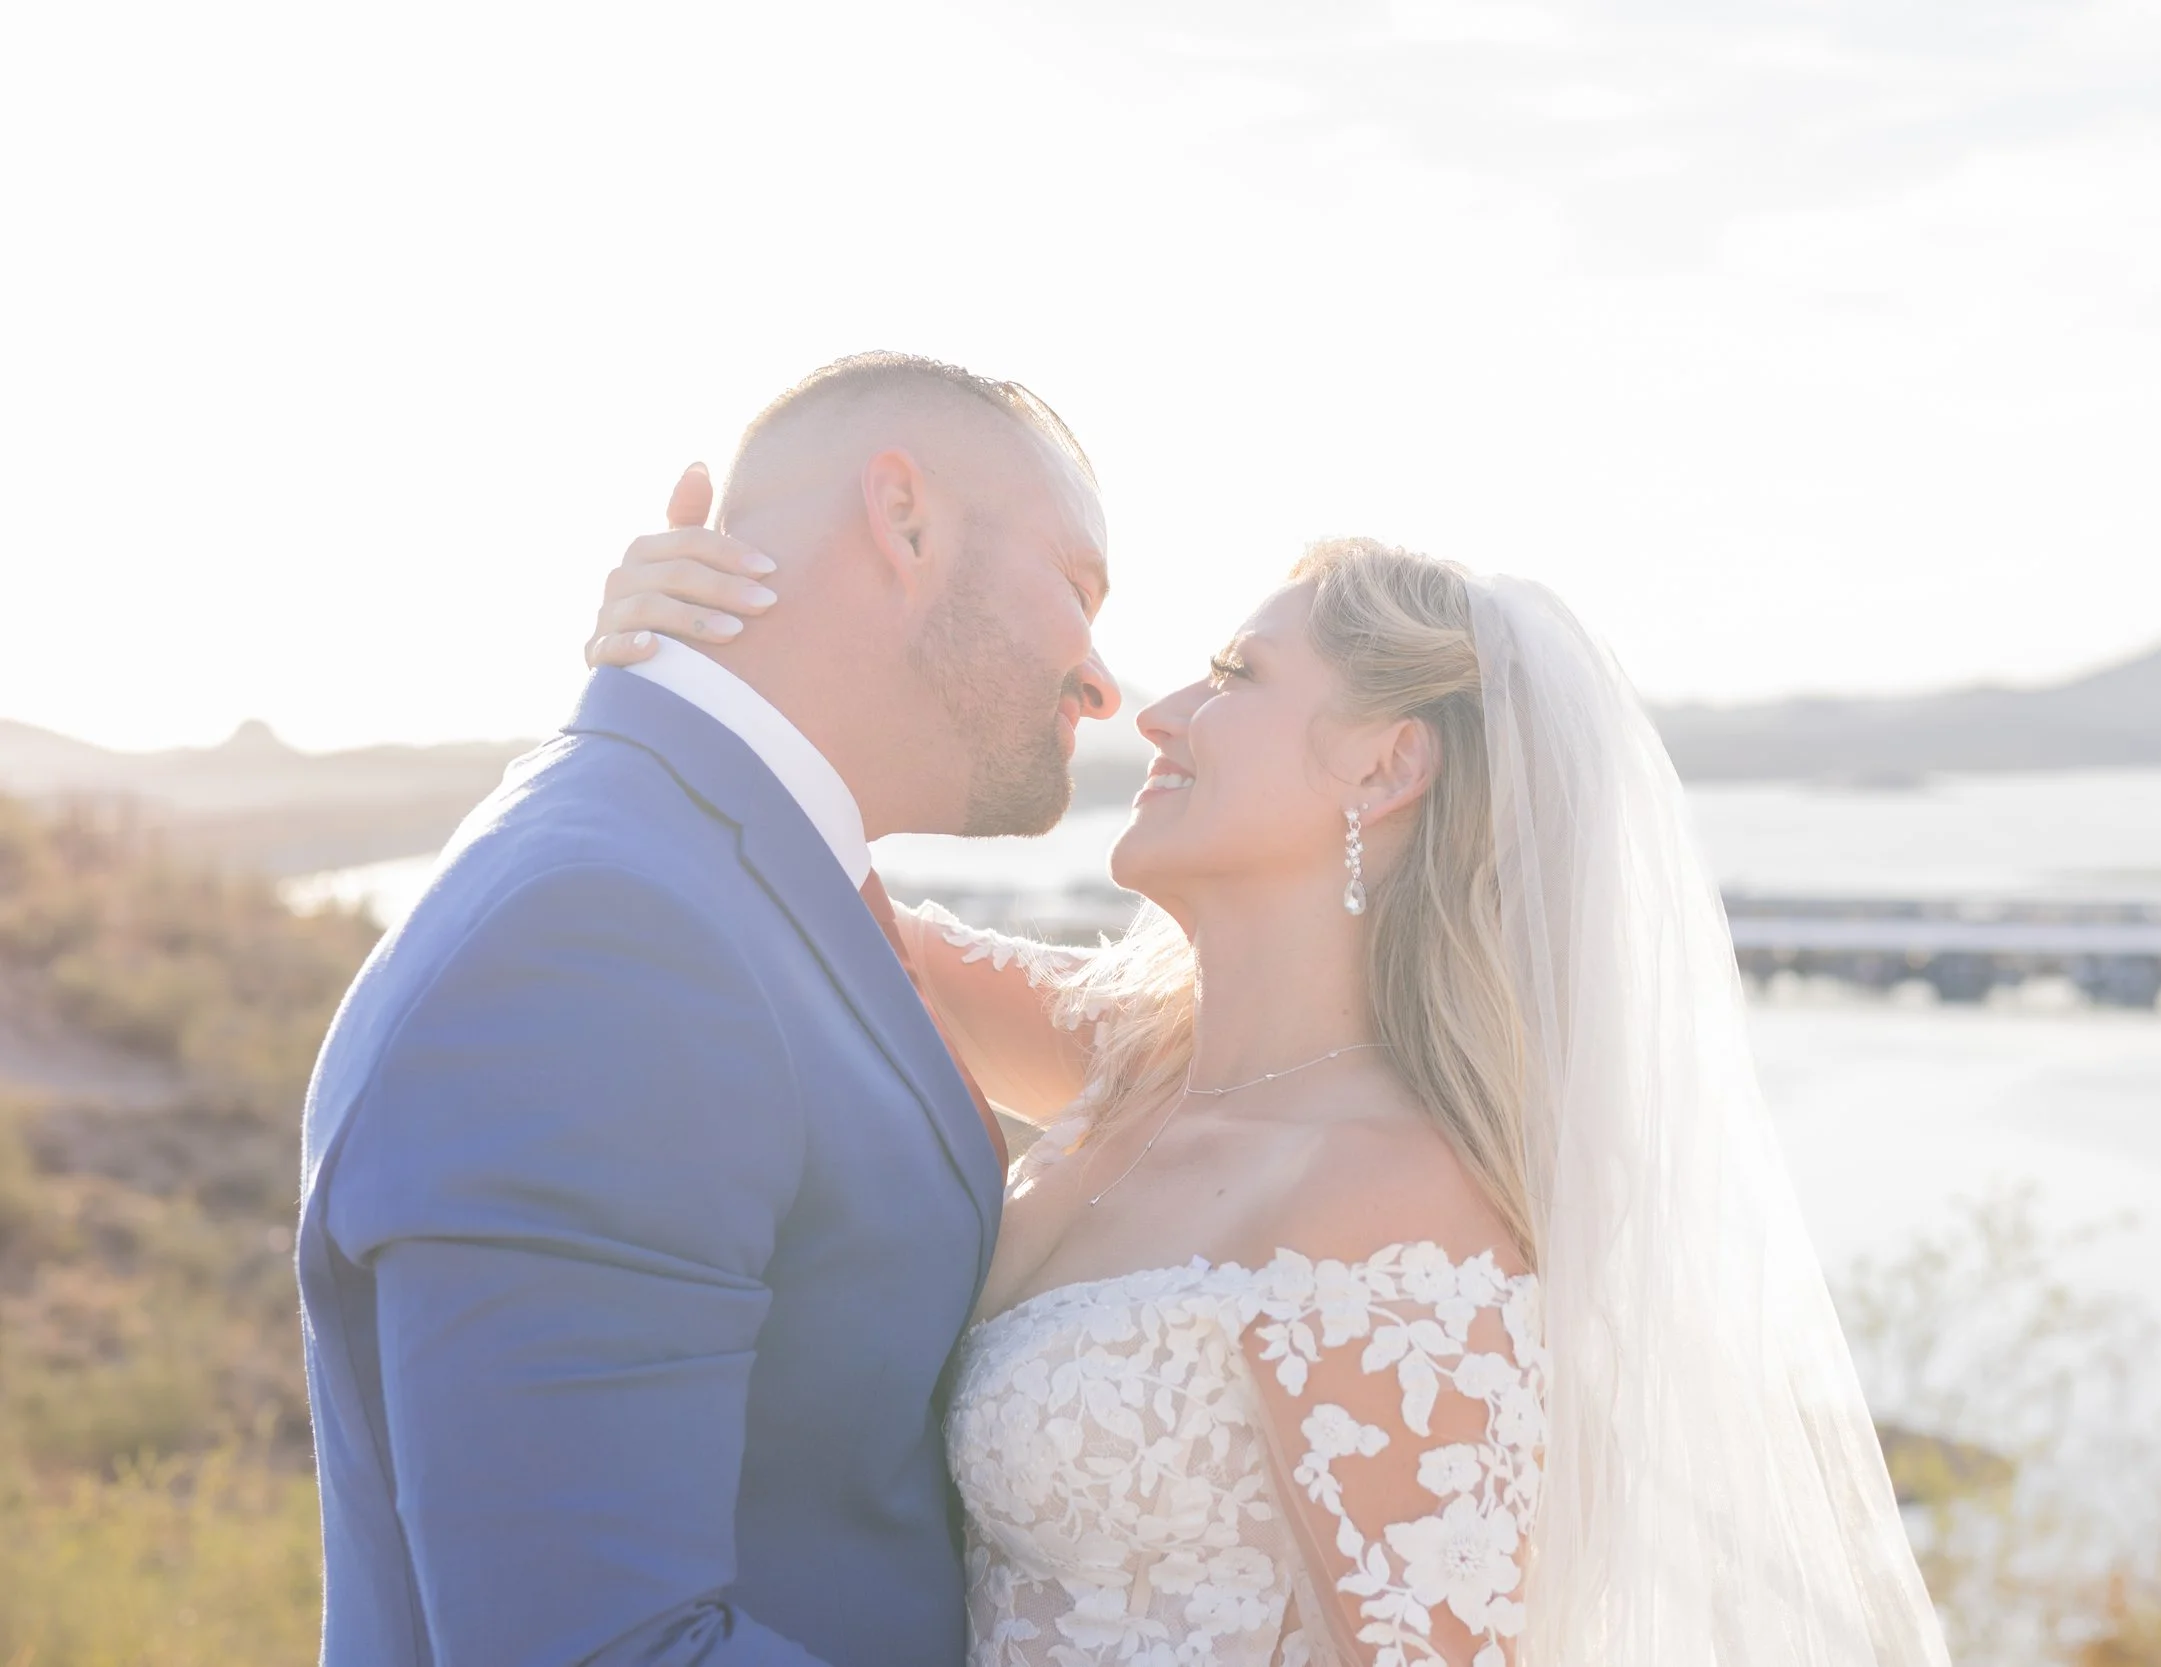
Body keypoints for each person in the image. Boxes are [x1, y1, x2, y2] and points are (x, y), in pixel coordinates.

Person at [587, 517, 1952, 1663]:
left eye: (1235, 674)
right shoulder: (1132, 1059)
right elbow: (818, 894)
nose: (1158, 713)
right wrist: (680, 670)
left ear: (1386, 761)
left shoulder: (1401, 1209)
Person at [297, 352, 1120, 1667]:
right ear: (903, 518)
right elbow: (595, 1646)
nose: (1103, 680)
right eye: (1080, 587)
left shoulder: (719, 882)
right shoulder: (601, 944)